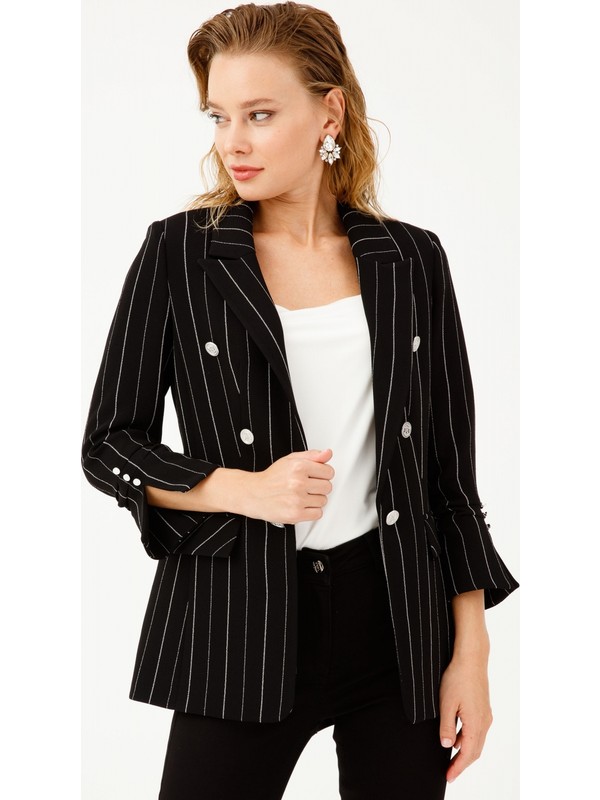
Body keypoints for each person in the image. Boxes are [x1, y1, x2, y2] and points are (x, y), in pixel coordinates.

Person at [81, 3, 519, 798]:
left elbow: (449, 478)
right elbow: (110, 444)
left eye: (259, 114)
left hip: (397, 627)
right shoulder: (180, 254)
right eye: (218, 116)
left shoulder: (412, 260)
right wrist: (242, 489)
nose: (233, 141)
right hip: (237, 621)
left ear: (329, 112)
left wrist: (472, 654)